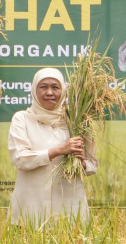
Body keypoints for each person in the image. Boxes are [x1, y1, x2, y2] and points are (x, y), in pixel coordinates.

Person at [7, 68, 97, 226]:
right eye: (43, 87)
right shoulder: (22, 119)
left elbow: (92, 165)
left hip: (69, 209)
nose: (49, 92)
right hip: (30, 207)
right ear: (34, 90)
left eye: (55, 87)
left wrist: (81, 162)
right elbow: (21, 159)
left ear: (63, 91)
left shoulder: (77, 121)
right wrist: (60, 150)